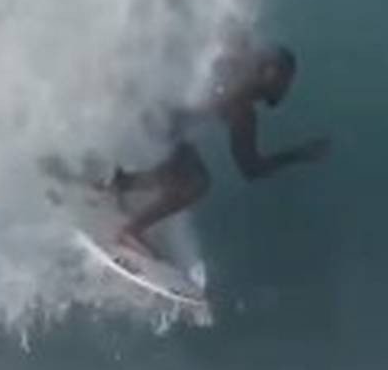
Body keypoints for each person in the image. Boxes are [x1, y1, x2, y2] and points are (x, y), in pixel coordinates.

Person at [103, 43, 329, 258]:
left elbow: (247, 166)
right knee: (195, 182)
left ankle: (119, 183)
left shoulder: (236, 74)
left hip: (150, 99)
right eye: (284, 79)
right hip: (160, 114)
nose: (286, 88)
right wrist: (298, 155)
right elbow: (250, 168)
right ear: (268, 71)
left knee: (179, 168)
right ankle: (128, 230)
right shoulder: (243, 104)